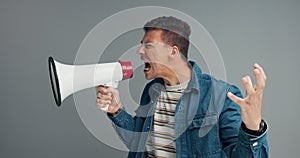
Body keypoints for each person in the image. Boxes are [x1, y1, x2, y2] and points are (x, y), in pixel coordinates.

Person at [96, 16, 269, 158]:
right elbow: (138, 143)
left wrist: (253, 128)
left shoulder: (220, 95)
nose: (139, 51)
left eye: (148, 45)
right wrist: (116, 110)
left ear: (173, 51)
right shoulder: (152, 91)